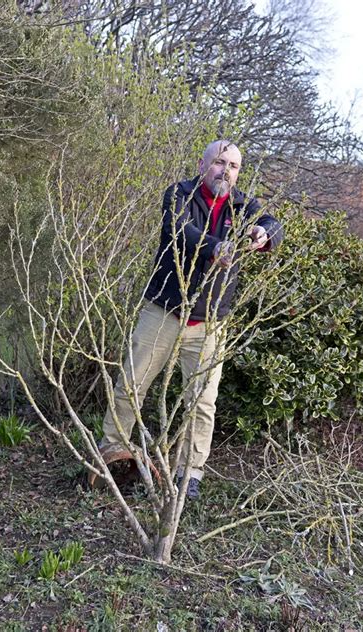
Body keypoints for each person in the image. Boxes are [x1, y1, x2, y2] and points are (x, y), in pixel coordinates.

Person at [100, 140, 283, 498]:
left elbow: (272, 224)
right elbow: (182, 231)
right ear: (203, 164)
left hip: (210, 322)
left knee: (201, 400)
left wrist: (265, 234)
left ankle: (190, 473)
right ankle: (112, 454)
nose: (225, 170)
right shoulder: (180, 194)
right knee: (131, 386)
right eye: (219, 162)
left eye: (232, 165)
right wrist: (215, 247)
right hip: (163, 311)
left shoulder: (243, 206)